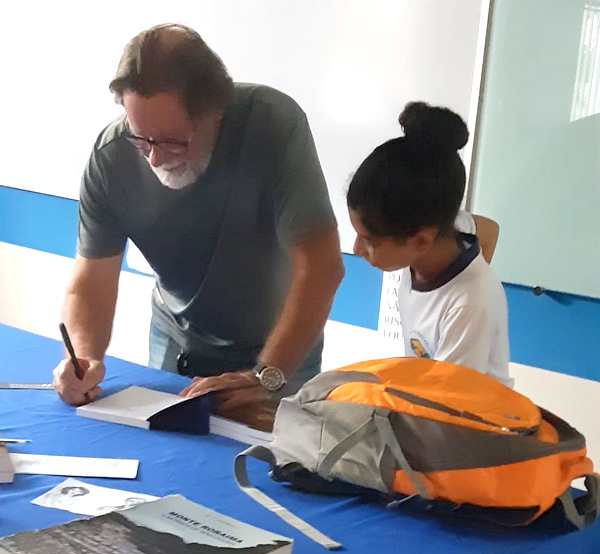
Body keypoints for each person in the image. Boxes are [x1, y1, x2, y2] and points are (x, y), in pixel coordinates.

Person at [53, 23, 344, 410]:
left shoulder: (273, 124)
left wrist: (268, 374)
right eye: (141, 139)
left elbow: (322, 266)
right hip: (178, 341)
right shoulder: (111, 157)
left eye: (172, 142)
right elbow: (91, 279)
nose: (155, 158)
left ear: (215, 112)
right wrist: (82, 360)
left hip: (281, 348)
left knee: (271, 448)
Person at [347, 101, 512, 387]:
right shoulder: (443, 232)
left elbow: (447, 403)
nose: (356, 250)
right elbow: (489, 229)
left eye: (370, 240)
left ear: (421, 240)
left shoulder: (468, 304)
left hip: (465, 411)